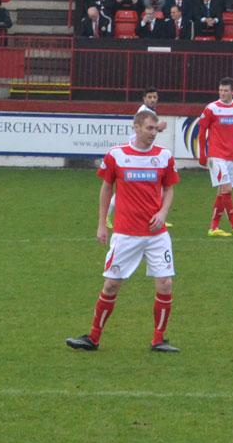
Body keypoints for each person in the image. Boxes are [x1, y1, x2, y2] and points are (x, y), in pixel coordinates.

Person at [65, 108, 181, 354]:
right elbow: (106, 188)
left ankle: (158, 339)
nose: (153, 133)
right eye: (149, 128)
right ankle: (93, 337)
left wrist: (162, 214)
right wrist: (101, 223)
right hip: (126, 234)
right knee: (110, 286)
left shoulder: (164, 156)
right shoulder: (117, 155)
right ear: (136, 127)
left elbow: (170, 189)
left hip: (156, 236)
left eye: (155, 128)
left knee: (165, 284)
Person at [198, 78, 233, 237]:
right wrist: (202, 154)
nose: (222, 93)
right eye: (220, 90)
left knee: (221, 192)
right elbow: (202, 132)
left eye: (225, 90)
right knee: (227, 189)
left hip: (231, 156)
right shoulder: (212, 108)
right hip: (216, 156)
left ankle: (213, 228)